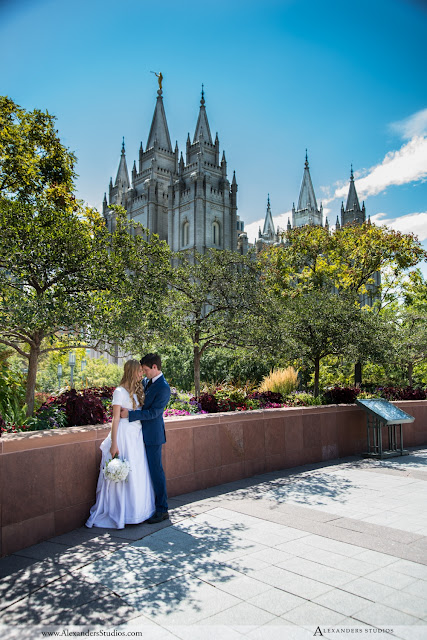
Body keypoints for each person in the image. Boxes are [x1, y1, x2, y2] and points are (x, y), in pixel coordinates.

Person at [86, 360, 155, 529]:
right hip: (124, 436)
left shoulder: (137, 390)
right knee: (126, 472)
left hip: (136, 436)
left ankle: (139, 511)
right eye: (139, 371)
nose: (141, 374)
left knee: (137, 471)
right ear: (132, 372)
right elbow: (115, 418)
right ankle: (123, 513)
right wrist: (114, 443)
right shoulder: (119, 392)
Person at [120, 353, 171, 524]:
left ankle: (163, 510)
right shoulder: (147, 382)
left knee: (156, 472)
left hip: (153, 436)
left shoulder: (163, 387)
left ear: (155, 368)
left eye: (146, 370)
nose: (144, 373)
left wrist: (131, 415)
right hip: (139, 434)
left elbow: (154, 412)